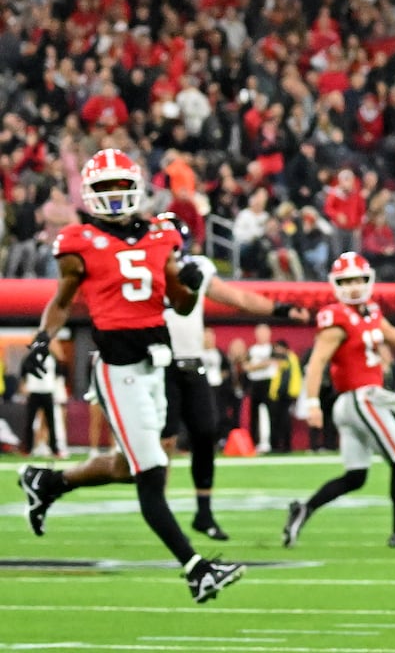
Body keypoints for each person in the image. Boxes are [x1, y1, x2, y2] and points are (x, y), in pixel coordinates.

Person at [16, 149, 244, 602]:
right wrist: (42, 340)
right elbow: (62, 300)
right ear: (90, 194)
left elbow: (177, 302)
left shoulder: (162, 235)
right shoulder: (78, 241)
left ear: (137, 186)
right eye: (106, 188)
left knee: (129, 466)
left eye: (123, 186)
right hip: (118, 369)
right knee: (152, 472)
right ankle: (196, 569)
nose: (117, 196)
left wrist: (192, 288)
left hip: (157, 363)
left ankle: (48, 482)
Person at [155, 213, 309, 540]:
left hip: (192, 364)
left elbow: (238, 298)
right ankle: (158, 508)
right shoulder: (144, 270)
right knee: (164, 440)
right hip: (159, 363)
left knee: (205, 434)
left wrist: (279, 309)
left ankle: (204, 513)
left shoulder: (196, 267)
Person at [283, 252, 395, 549]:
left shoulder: (371, 312)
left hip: (356, 403)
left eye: (359, 280)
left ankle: (304, 509)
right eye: (347, 281)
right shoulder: (337, 317)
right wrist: (312, 404)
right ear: (336, 284)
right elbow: (316, 363)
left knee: (355, 477)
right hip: (360, 398)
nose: (353, 286)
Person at [22, 334, 66, 457]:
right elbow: (23, 373)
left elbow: (58, 375)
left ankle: (54, 449)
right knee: (30, 421)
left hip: (47, 392)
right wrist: (25, 386)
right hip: (34, 392)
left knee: (51, 422)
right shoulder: (29, 357)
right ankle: (27, 449)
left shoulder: (52, 358)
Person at [243, 323, 278, 453]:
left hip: (270, 383)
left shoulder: (273, 348)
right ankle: (255, 442)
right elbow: (246, 366)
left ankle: (273, 444)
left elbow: (276, 363)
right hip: (255, 383)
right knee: (254, 415)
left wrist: (256, 366)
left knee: (272, 414)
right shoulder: (252, 350)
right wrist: (263, 364)